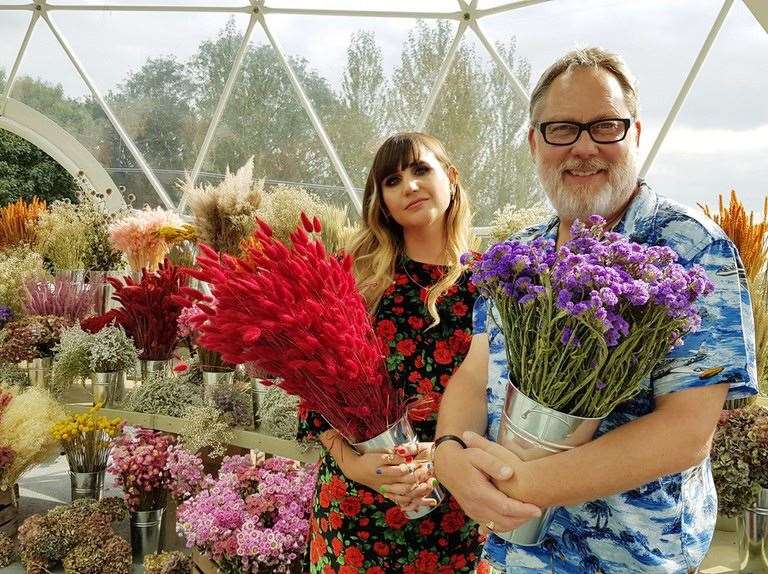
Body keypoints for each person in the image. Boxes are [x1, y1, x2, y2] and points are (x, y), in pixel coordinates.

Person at [433, 47, 758, 573]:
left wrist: (519, 486)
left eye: (605, 126)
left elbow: (686, 432)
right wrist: (447, 453)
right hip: (513, 555)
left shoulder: (692, 249)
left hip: (632, 560)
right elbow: (476, 374)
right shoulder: (520, 256)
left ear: (636, 133)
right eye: (562, 128)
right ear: (535, 141)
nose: (584, 148)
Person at [299, 132, 484, 573]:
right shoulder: (359, 278)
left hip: (452, 508)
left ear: (452, 178)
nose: (410, 187)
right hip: (357, 506)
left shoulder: (491, 282)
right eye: (393, 180)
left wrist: (448, 459)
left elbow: (503, 393)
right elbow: (310, 383)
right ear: (382, 200)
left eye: (421, 170)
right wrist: (355, 466)